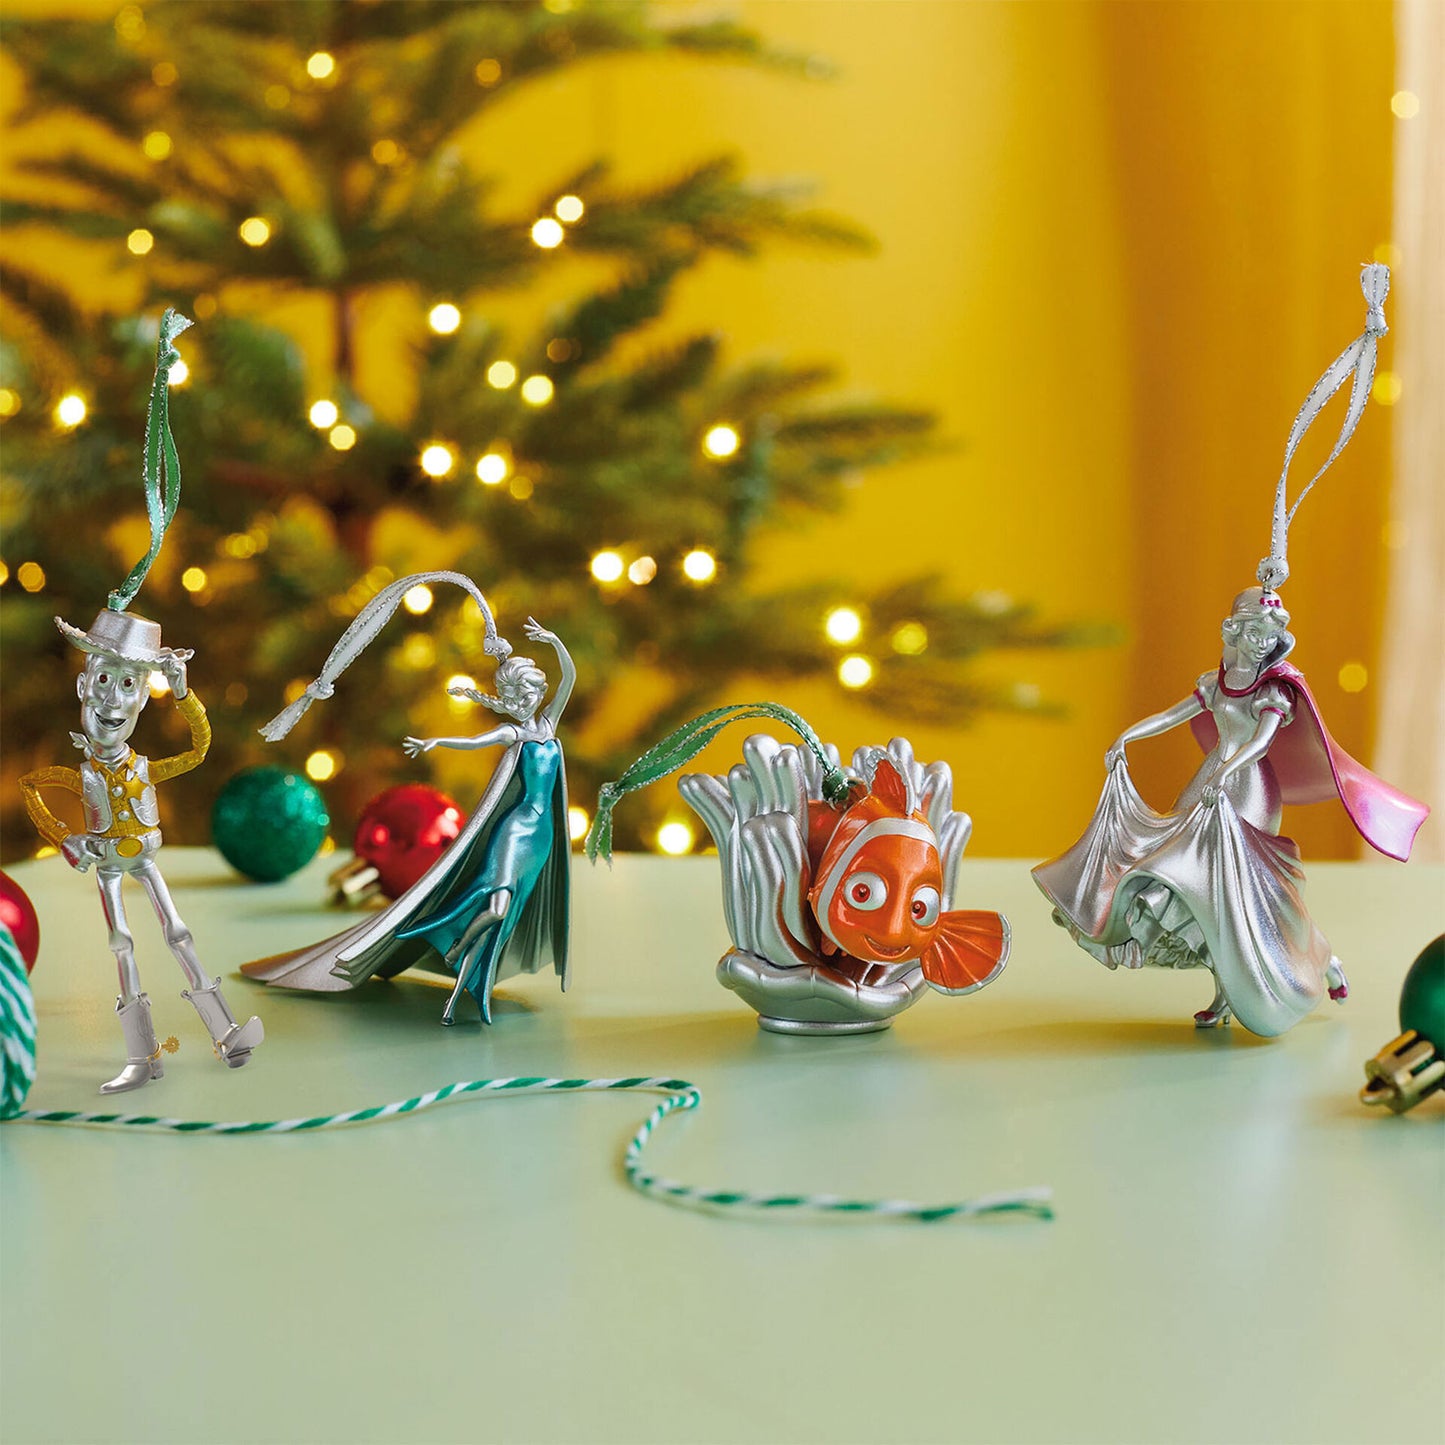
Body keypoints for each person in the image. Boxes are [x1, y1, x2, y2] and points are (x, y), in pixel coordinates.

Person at [1033, 586, 1428, 1035]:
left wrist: (1226, 771)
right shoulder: (1216, 681)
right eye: (1254, 632)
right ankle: (1229, 985)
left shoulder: (1274, 689)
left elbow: (1260, 743)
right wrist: (1128, 737)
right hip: (1212, 779)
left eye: (1270, 635)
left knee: (1239, 890)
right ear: (1234, 630)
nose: (1262, 642)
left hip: (1249, 787)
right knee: (1182, 875)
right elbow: (1172, 716)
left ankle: (1316, 960)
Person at [244, 609, 573, 1025]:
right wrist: (435, 742)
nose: (520, 704)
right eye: (512, 699)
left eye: (525, 695)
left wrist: (552, 641)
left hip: (541, 837)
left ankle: (465, 976)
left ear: (537, 693)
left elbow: (569, 677)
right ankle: (451, 945)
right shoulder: (514, 734)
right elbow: (474, 741)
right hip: (516, 830)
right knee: (495, 905)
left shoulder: (547, 724)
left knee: (508, 915)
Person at [20, 609, 263, 1091]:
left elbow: (199, 749)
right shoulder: (79, 776)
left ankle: (226, 1034)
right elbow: (30, 785)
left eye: (129, 684)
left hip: (145, 859)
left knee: (178, 932)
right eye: (104, 680)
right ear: (83, 686)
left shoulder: (145, 768)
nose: (113, 699)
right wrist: (65, 838)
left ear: (143, 699)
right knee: (121, 942)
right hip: (109, 865)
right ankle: (142, 1056)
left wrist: (183, 692)